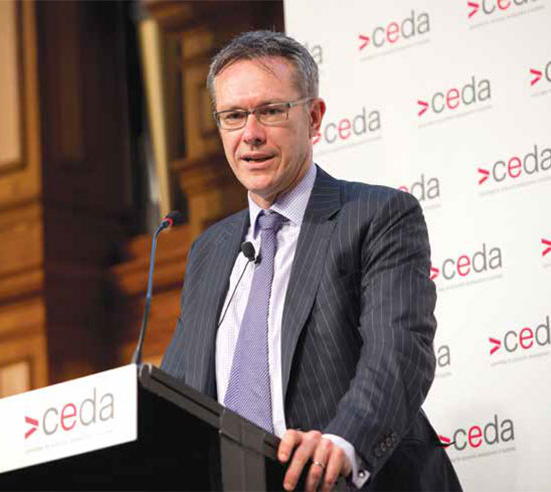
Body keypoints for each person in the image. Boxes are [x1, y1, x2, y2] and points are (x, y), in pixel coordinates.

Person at [161, 31, 461, 491]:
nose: (251, 134)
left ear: (314, 117)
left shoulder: (376, 217)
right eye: (234, 116)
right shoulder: (211, 249)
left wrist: (344, 442)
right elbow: (179, 391)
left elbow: (398, 352)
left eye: (271, 111)